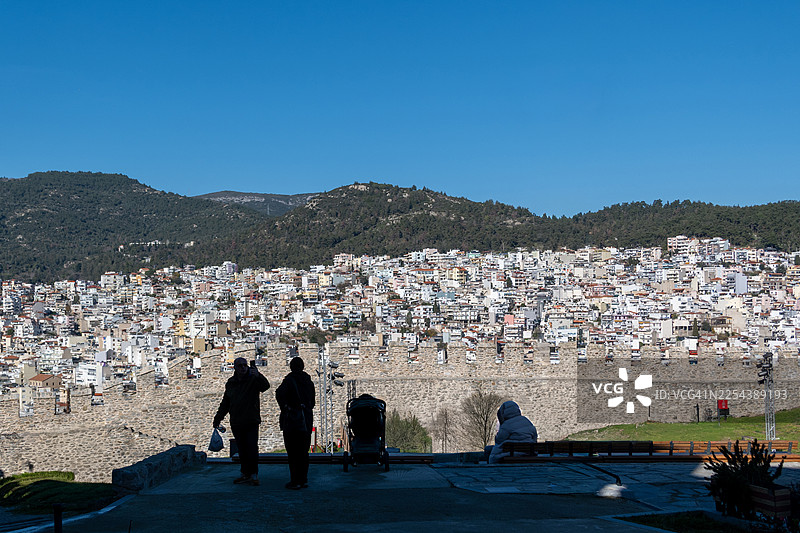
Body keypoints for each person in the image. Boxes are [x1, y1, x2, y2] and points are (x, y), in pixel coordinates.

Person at [213, 357, 270, 485]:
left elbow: (265, 387)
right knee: (242, 450)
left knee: (252, 448)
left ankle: (254, 474)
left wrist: (259, 375)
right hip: (237, 421)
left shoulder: (253, 379)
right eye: (240, 365)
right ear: (235, 367)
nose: (243, 367)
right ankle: (245, 474)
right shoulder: (231, 383)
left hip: (251, 420)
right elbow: (226, 403)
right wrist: (218, 418)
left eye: (245, 365)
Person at [275, 356, 315, 489]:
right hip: (306, 421)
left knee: (292, 453)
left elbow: (279, 394)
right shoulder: (309, 381)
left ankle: (295, 480)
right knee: (303, 452)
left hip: (292, 422)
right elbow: (312, 403)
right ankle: (303, 479)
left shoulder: (289, 381)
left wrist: (287, 408)